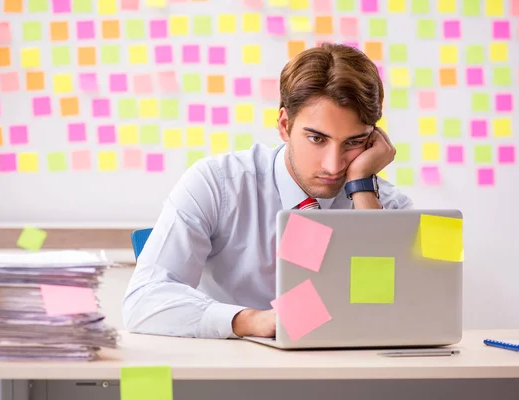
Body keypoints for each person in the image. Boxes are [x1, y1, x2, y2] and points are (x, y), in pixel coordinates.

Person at [122, 43, 413, 340]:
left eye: (353, 142)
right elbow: (143, 301)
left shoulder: (384, 206)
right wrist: (250, 321)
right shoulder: (217, 184)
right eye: (317, 139)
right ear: (285, 125)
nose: (334, 164)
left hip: (345, 373)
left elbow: (400, 311)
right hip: (233, 371)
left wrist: (363, 187)